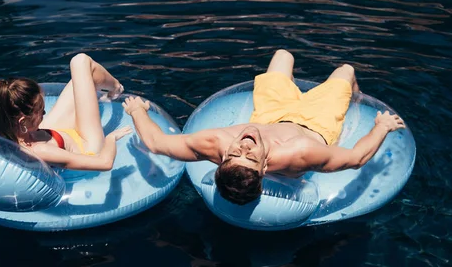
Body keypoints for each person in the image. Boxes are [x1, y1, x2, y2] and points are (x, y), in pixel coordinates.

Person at [122, 49, 406, 205]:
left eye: (235, 154)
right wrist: (380, 126)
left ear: (221, 160)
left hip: (269, 114)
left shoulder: (214, 143)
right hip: (315, 121)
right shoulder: (300, 154)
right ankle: (353, 102)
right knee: (345, 70)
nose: (244, 146)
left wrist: (136, 110)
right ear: (265, 168)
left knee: (283, 55)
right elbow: (356, 159)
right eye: (250, 155)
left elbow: (156, 142)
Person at [0, 53, 132, 171]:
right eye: (41, 111)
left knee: (80, 64)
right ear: (23, 122)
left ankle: (114, 88)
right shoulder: (41, 151)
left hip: (53, 133)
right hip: (86, 146)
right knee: (81, 61)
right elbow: (104, 163)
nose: (44, 112)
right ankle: (116, 87)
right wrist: (110, 139)